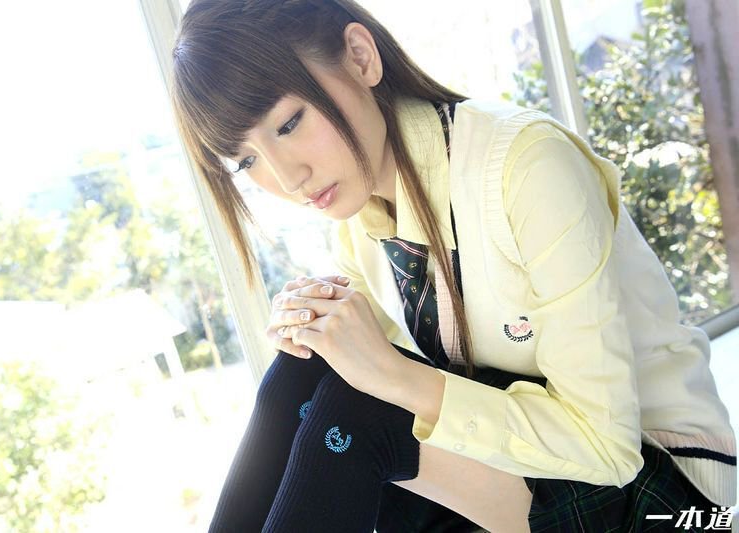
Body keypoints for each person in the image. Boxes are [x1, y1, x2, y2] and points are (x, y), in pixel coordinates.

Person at [169, 1, 737, 531]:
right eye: (246, 160)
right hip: (538, 472)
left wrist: (390, 374)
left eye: (289, 123)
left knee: (359, 410)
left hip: (666, 486)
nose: (287, 178)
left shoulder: (526, 165)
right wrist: (323, 332)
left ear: (361, 57)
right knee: (307, 368)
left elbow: (606, 447)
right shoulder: (360, 220)